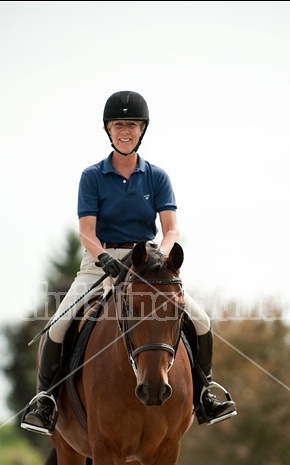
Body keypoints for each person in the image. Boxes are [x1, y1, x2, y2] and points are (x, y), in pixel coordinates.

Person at [21, 91, 236, 435]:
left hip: (147, 263)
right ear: (108, 130)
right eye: (119, 124)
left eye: (132, 125)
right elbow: (86, 232)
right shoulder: (92, 176)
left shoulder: (157, 176)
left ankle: (207, 393)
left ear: (142, 130)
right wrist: (104, 258)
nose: (125, 130)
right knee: (59, 324)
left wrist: (162, 254)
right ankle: (45, 401)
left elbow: (171, 229)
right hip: (99, 261)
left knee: (202, 320)